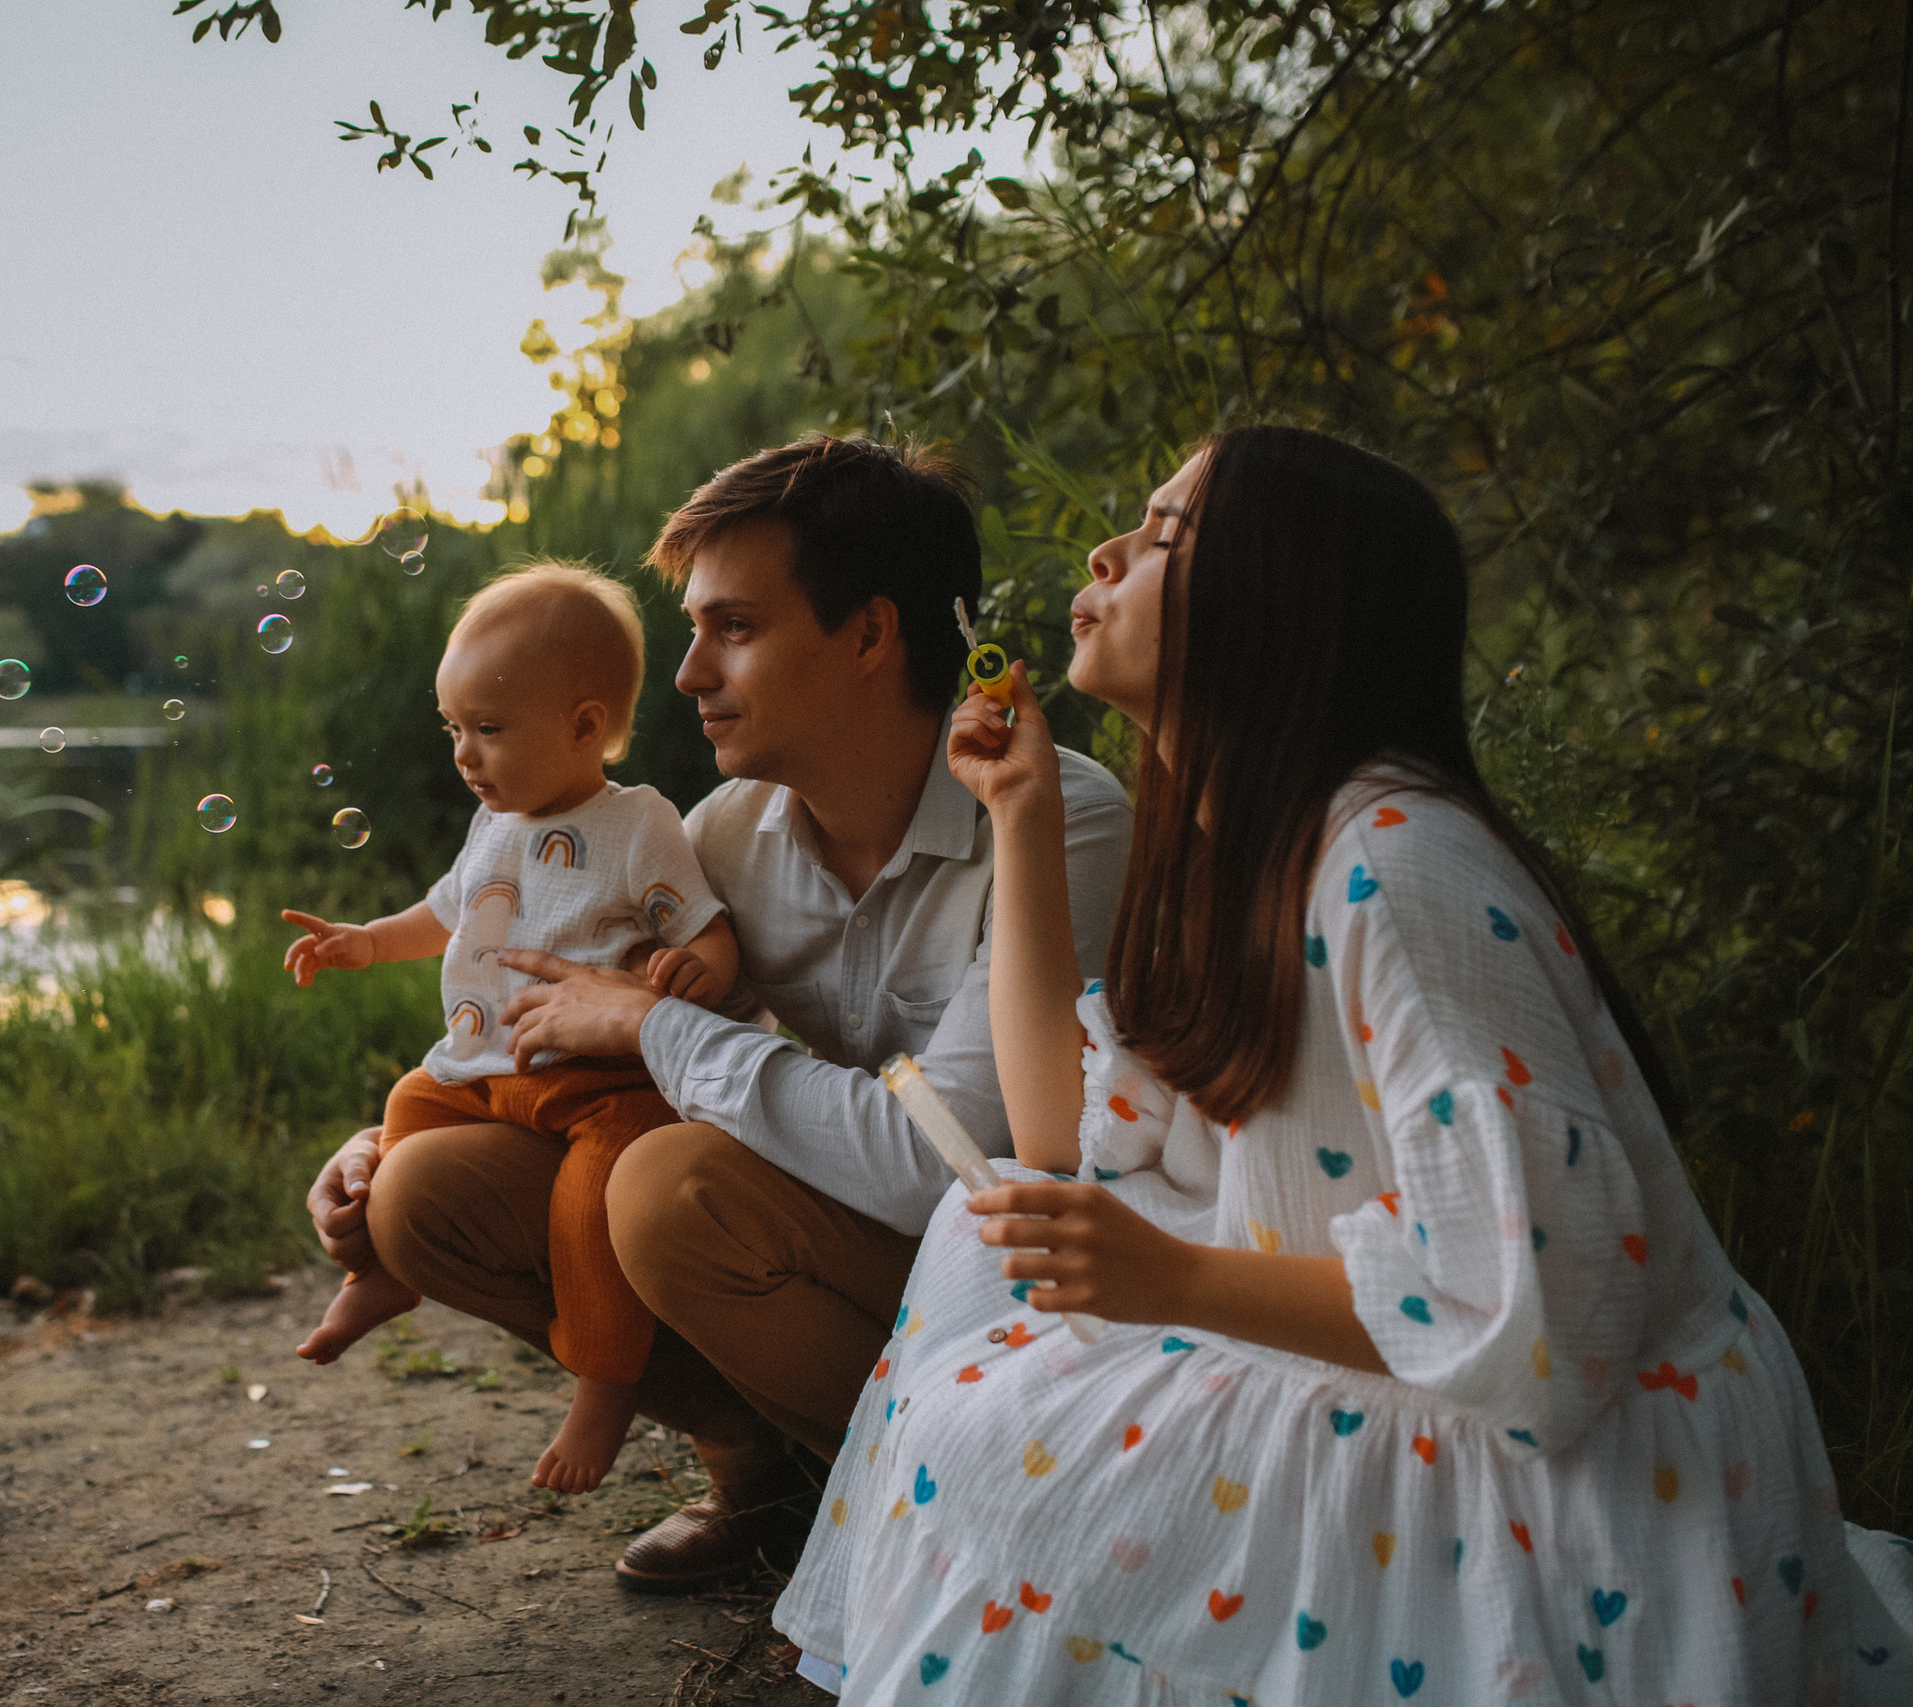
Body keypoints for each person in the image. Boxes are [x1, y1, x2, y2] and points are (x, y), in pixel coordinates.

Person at [774, 425, 1913, 1702]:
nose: (1106, 549)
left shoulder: (1395, 868)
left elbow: (1550, 1316)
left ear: (1278, 606)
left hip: (1541, 1449)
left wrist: (1182, 1279)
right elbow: (1053, 1137)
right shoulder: (1239, 854)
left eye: (1162, 536)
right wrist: (1021, 820)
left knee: (1015, 1417)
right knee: (982, 1250)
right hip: (1389, 1354)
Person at [301, 434, 1135, 1591]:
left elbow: (945, 1162)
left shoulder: (1056, 825)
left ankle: (932, 1508)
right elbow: (541, 1014)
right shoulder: (721, 838)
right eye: (692, 629)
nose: (688, 673)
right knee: (428, 1197)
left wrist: (653, 1027)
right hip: (854, 1244)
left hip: (1025, 1281)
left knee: (667, 1188)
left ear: (869, 635)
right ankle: (764, 1473)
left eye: (732, 630)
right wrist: (392, 1137)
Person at [282, 562, 741, 1493]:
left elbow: (705, 929)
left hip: (605, 1085)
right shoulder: (494, 826)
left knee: (590, 1210)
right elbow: (448, 912)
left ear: (583, 725)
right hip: (491, 1064)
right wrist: (364, 944)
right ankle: (382, 1272)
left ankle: (606, 1383)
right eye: (454, 729)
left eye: (488, 730)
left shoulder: (636, 824)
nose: (464, 756)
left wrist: (705, 971)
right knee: (411, 1100)